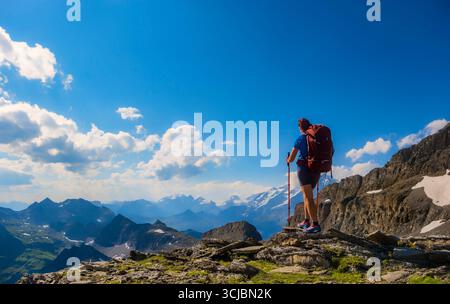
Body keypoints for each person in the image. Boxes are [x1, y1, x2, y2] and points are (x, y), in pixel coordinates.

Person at [286, 118, 321, 234]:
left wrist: (287, 159)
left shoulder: (301, 138)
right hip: (316, 169)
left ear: (300, 127)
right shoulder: (317, 138)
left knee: (309, 197)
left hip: (304, 169)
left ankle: (315, 224)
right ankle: (306, 221)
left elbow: (291, 158)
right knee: (307, 195)